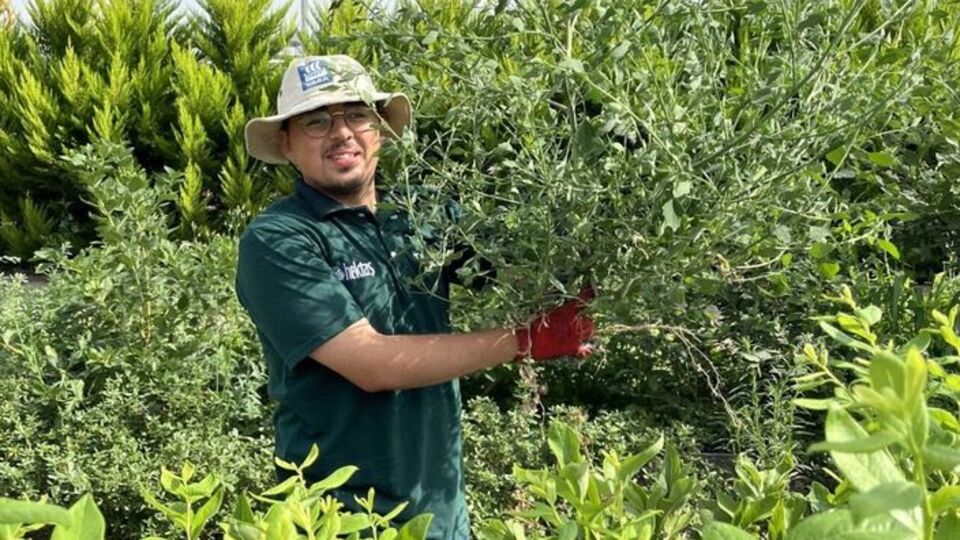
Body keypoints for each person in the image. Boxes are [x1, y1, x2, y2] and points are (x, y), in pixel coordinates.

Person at [235, 55, 595, 539]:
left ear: (379, 129)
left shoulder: (424, 212)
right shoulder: (280, 238)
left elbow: (528, 264)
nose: (342, 133)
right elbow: (371, 365)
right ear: (288, 143)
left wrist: (595, 168)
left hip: (442, 512)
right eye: (317, 121)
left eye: (357, 114)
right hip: (337, 518)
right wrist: (524, 340)